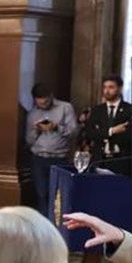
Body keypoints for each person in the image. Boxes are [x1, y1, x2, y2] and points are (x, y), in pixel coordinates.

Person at [24, 82, 78, 217]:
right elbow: (28, 141)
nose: (43, 104)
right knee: (41, 194)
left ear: (51, 96)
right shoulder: (32, 114)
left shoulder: (65, 108)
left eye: (46, 101)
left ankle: (59, 224)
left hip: (59, 158)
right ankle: (44, 224)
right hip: (38, 159)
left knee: (60, 195)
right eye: (40, 102)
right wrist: (36, 130)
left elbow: (73, 132)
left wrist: (56, 127)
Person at [82, 74, 132, 176]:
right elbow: (90, 133)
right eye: (105, 87)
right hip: (100, 160)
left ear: (119, 89)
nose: (107, 91)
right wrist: (111, 131)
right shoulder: (97, 110)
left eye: (111, 87)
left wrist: (101, 132)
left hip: (121, 160)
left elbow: (130, 135)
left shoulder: (129, 109)